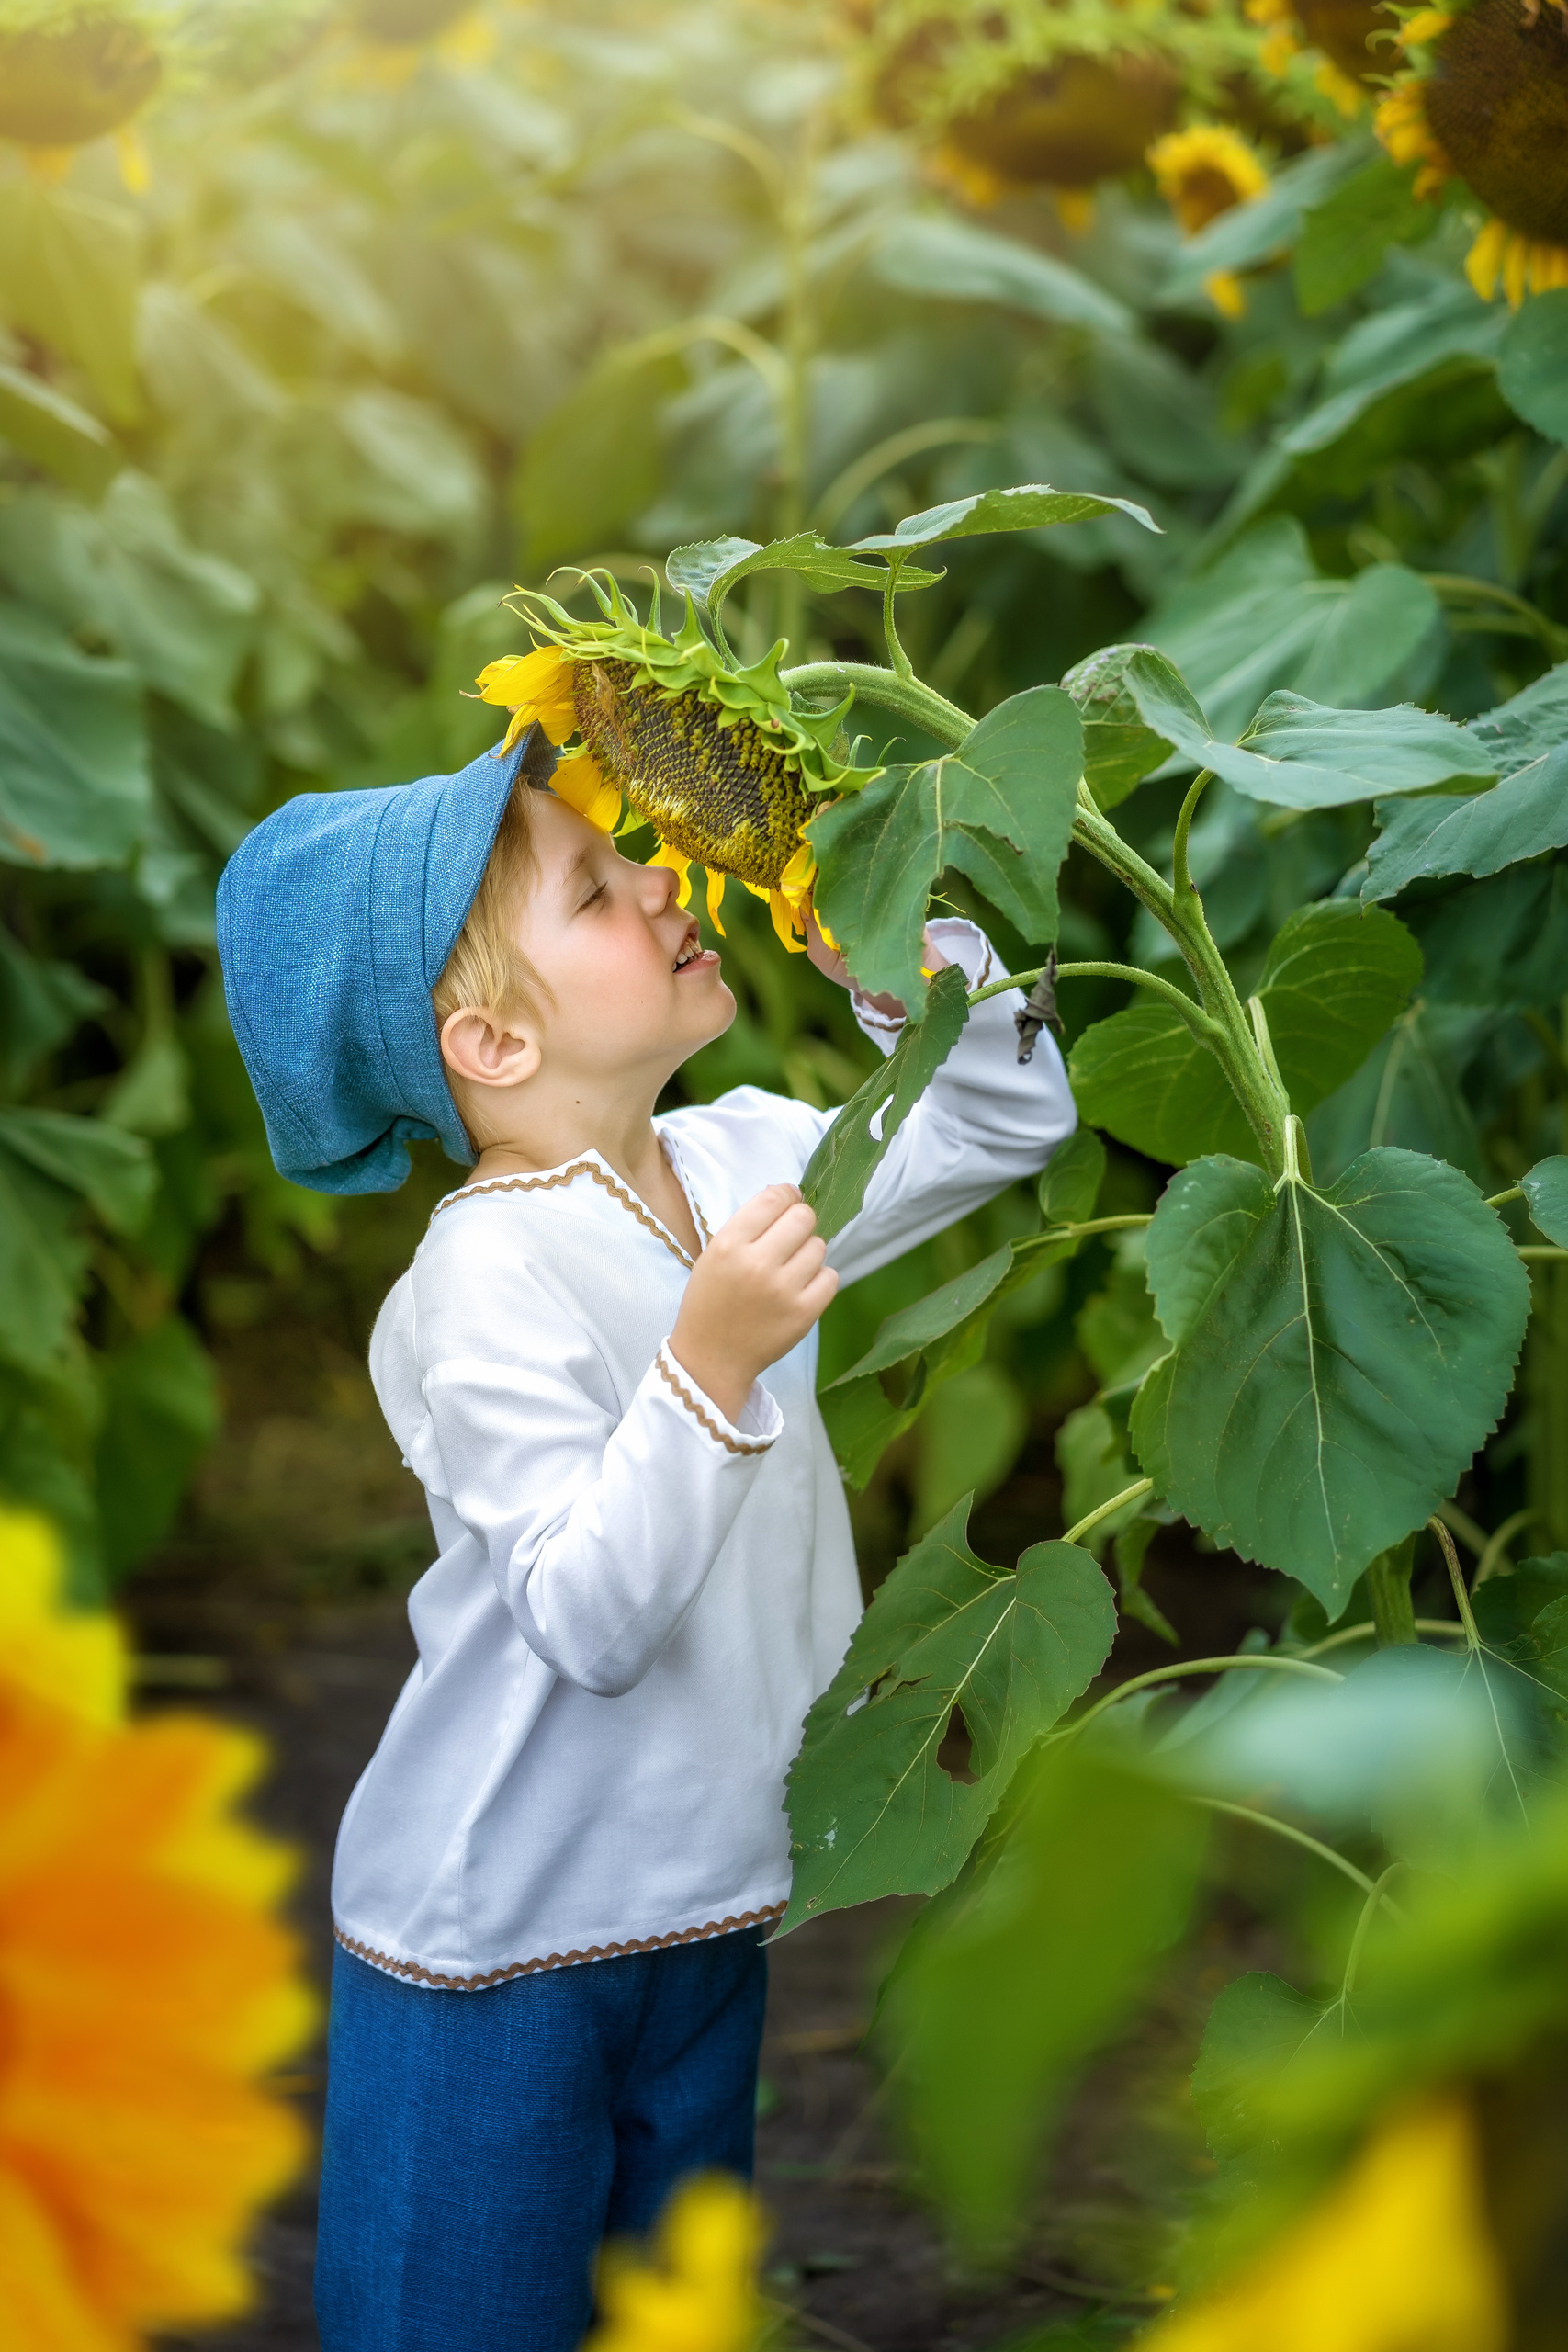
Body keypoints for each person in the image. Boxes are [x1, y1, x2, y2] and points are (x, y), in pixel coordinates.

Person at [216, 718, 1076, 2352]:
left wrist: (889, 941)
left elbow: (1002, 1125)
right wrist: (712, 1359)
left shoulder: (737, 1157)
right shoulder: (481, 1284)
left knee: (670, 2318)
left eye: (637, 859)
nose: (664, 885)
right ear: (492, 1042)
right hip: (495, 1934)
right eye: (596, 891)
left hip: (702, 1898)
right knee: (457, 2316)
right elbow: (583, 1618)